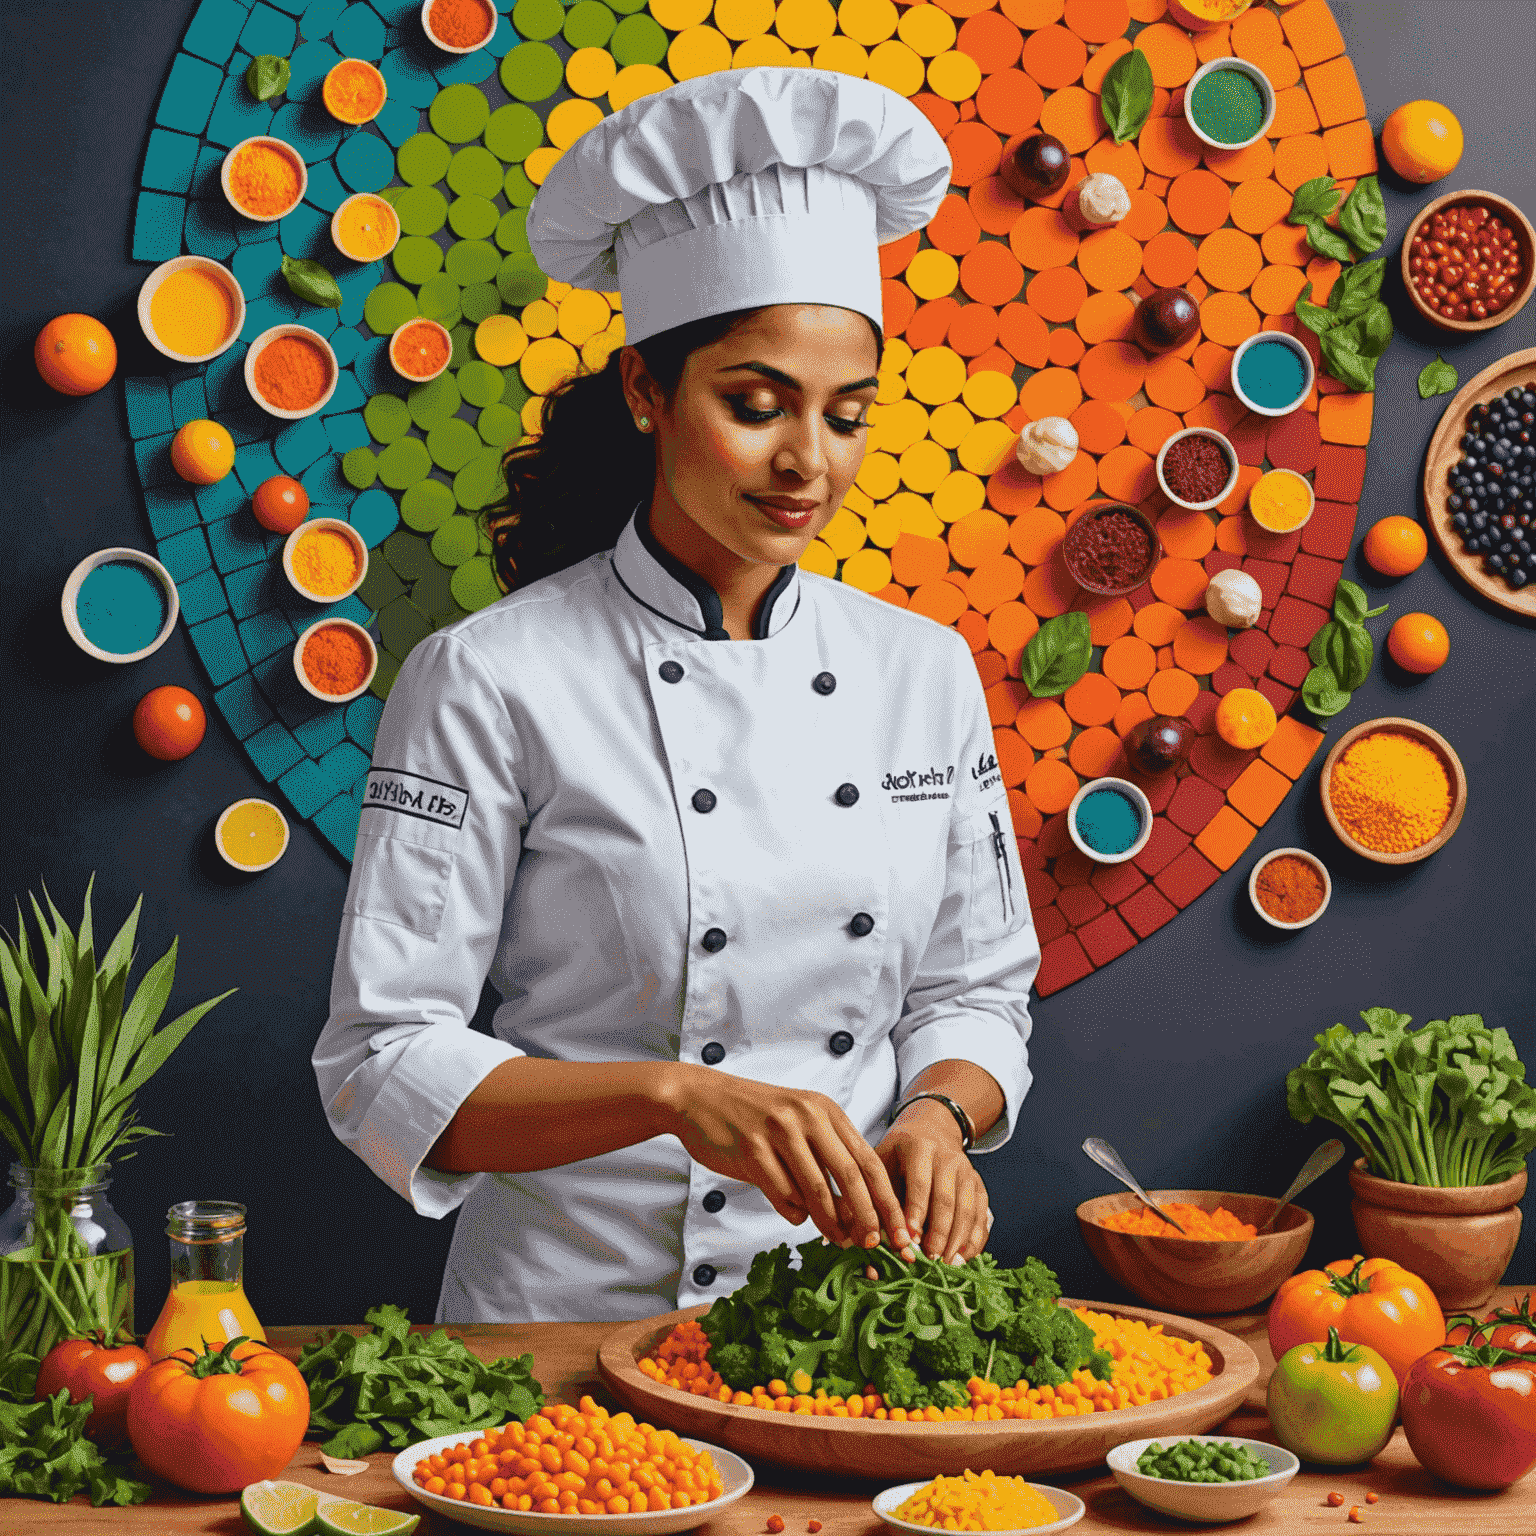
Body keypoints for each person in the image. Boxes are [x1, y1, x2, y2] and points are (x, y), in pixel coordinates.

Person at [313, 65, 1041, 1325]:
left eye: (846, 414)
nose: (808, 462)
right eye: (756, 406)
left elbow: (974, 991)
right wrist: (669, 1098)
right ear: (649, 392)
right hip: (563, 1327)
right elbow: (382, 1059)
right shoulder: (488, 675)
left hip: (852, 1320)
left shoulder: (920, 670)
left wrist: (937, 1114)